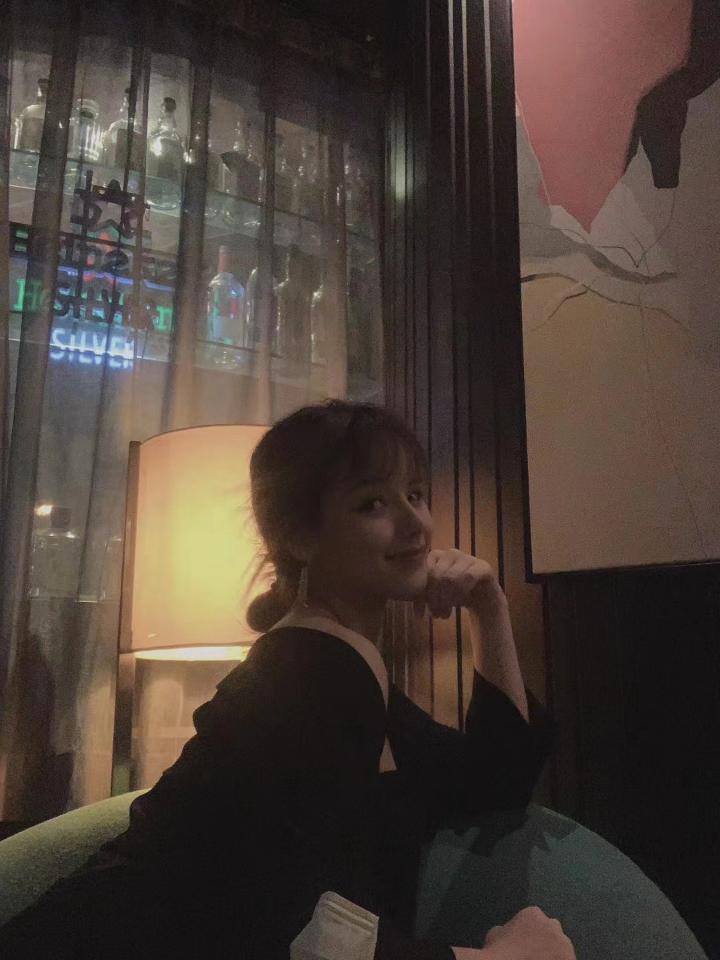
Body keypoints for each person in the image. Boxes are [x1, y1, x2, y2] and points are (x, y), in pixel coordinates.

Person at [0, 399, 574, 960]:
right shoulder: (308, 676)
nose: (416, 524)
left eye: (416, 494)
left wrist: (488, 605)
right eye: (373, 503)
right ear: (299, 537)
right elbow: (285, 922)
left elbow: (497, 779)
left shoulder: (341, 665)